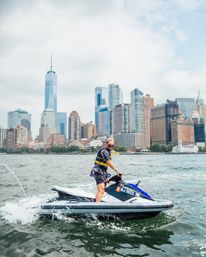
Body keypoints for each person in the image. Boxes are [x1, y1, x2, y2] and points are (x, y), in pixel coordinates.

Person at [90, 138, 122, 202]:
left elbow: (106, 165)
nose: (111, 147)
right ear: (106, 144)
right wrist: (116, 170)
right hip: (98, 171)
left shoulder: (108, 152)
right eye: (109, 145)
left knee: (102, 190)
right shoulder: (104, 151)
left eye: (112, 145)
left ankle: (96, 203)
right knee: (101, 190)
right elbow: (108, 162)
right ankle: (96, 206)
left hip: (103, 172)